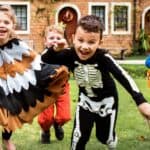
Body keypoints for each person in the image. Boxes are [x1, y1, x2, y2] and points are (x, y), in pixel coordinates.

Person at [41, 14, 150, 150]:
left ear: (99, 43)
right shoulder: (69, 54)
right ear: (73, 38)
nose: (84, 47)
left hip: (107, 102)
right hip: (85, 101)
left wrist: (141, 101)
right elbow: (44, 59)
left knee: (103, 137)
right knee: (78, 137)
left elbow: (123, 76)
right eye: (80, 40)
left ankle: (111, 138)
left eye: (91, 42)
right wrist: (55, 49)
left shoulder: (103, 57)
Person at [0, 5, 68, 150]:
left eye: (6, 22)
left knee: (10, 109)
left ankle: (6, 140)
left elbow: (37, 62)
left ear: (12, 26)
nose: (2, 25)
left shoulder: (18, 46)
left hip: (9, 85)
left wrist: (52, 71)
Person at [38, 24, 71, 143]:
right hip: (47, 90)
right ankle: (45, 130)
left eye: (58, 38)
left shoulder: (67, 54)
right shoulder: (43, 56)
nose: (55, 41)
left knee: (65, 116)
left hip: (63, 87)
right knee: (45, 119)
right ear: (46, 41)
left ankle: (58, 125)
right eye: (51, 38)